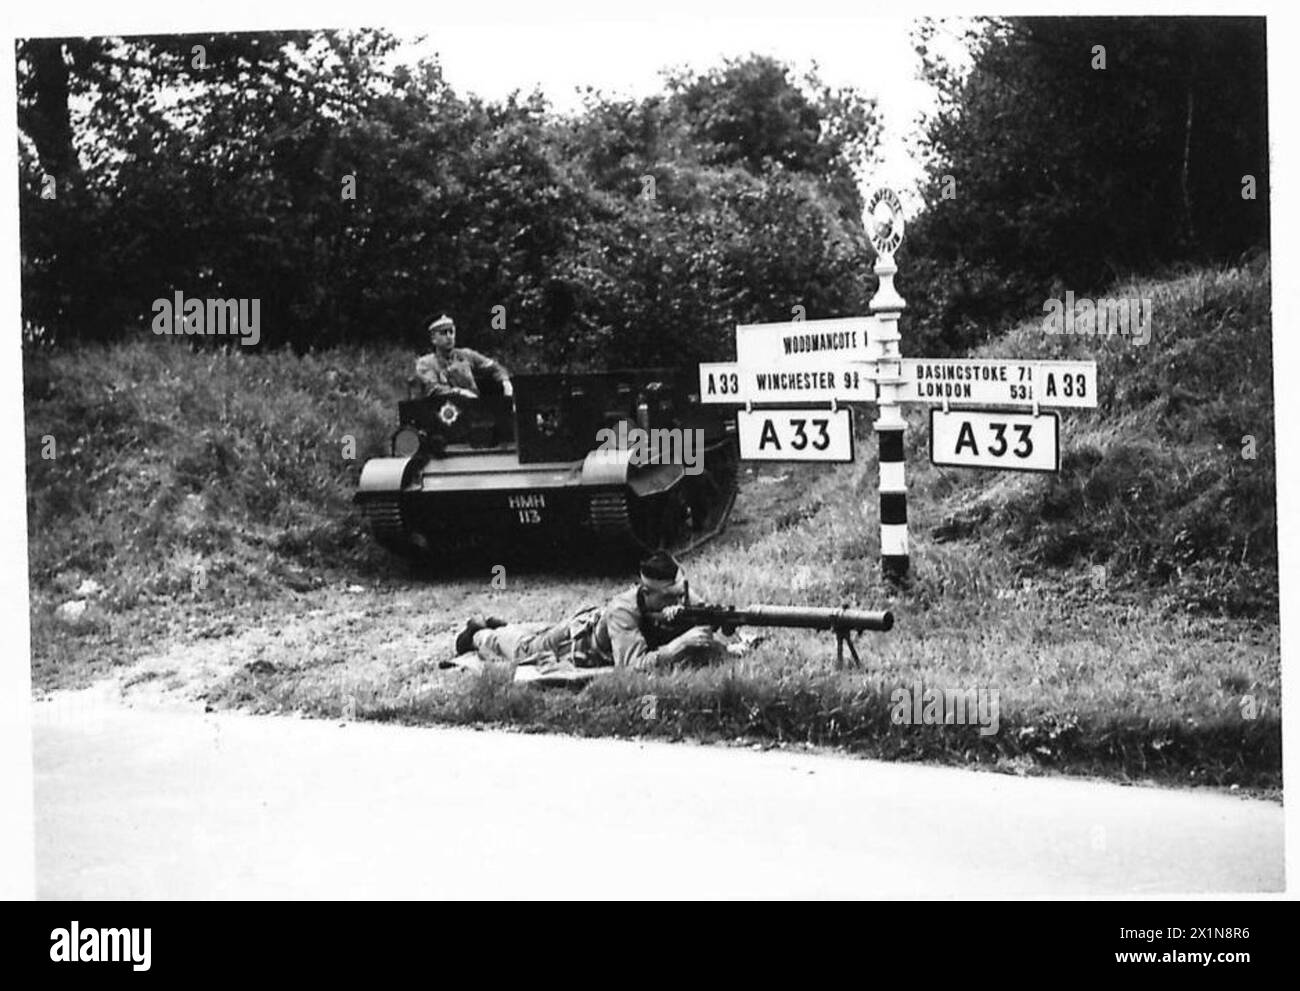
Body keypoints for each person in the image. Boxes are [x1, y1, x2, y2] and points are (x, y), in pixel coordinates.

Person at [454, 550, 731, 671]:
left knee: (532, 632)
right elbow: (632, 668)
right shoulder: (624, 611)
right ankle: (480, 632)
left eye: (681, 591)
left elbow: (706, 617)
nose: (681, 599)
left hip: (597, 633)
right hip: (576, 644)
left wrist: (722, 625)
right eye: (671, 596)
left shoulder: (680, 592)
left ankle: (502, 626)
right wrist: (678, 646)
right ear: (649, 592)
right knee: (526, 649)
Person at [414, 313, 514, 400]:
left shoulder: (466, 355)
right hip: (444, 412)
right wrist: (459, 392)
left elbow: (494, 367)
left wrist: (505, 381)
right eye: (443, 333)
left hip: (474, 408)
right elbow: (433, 389)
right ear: (433, 339)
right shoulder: (426, 363)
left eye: (451, 332)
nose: (449, 336)